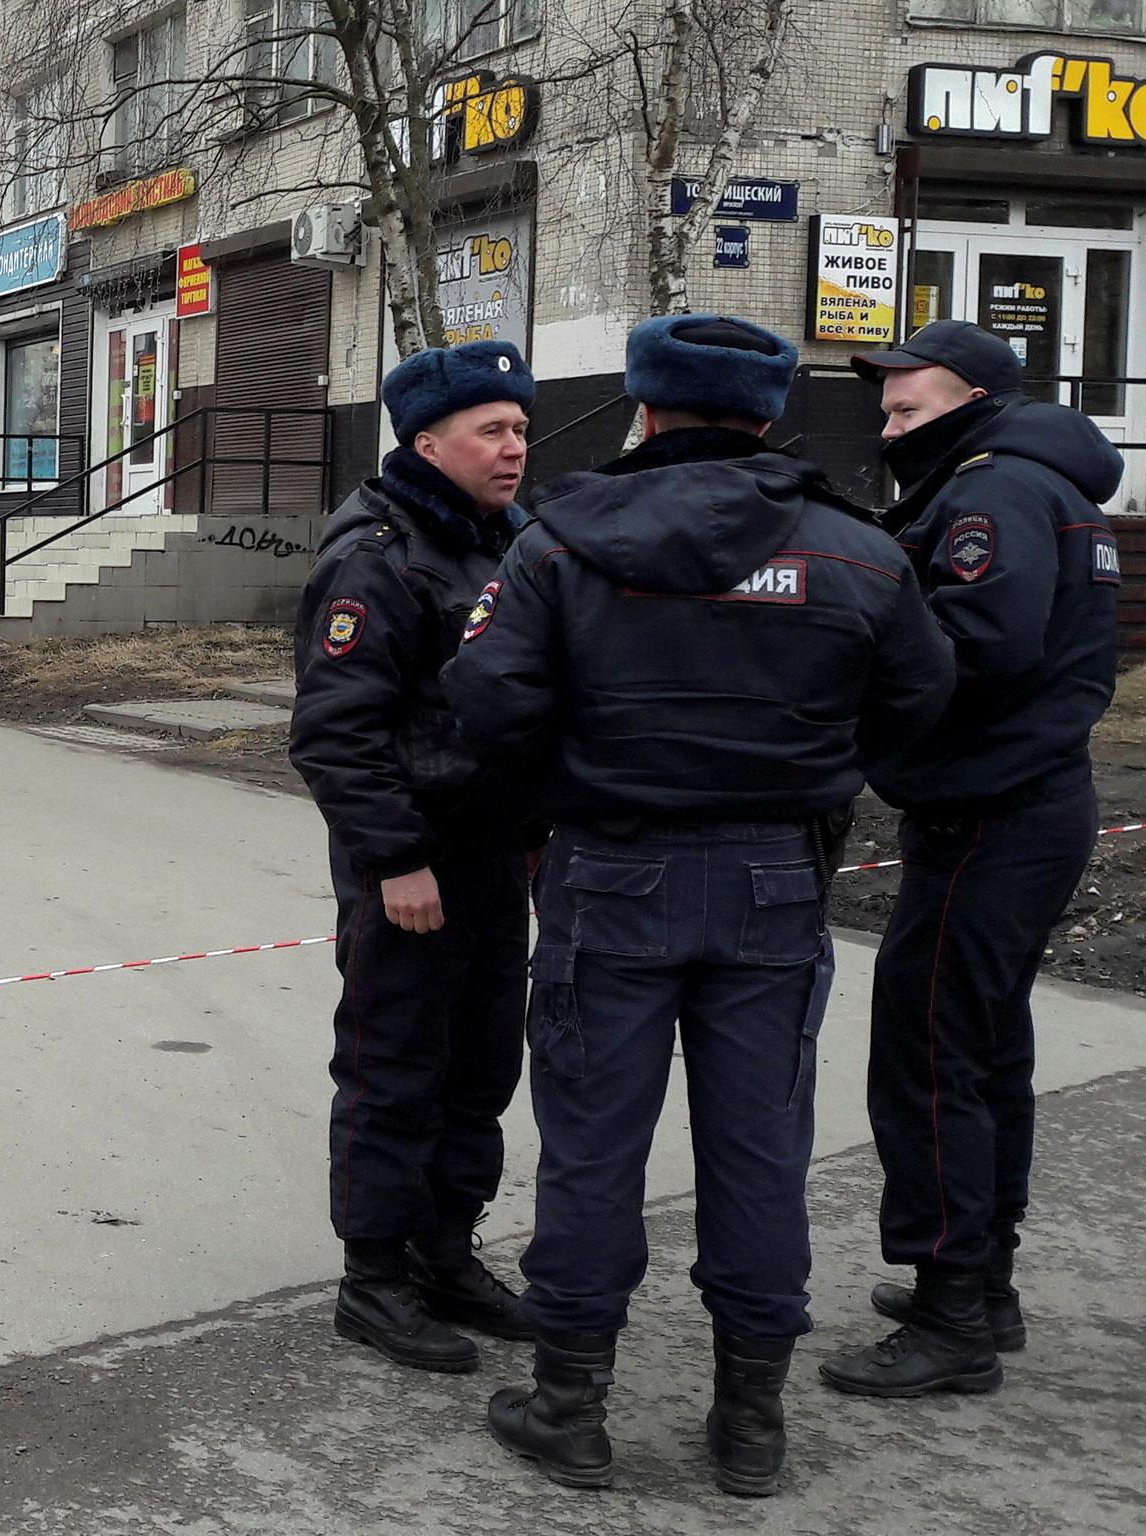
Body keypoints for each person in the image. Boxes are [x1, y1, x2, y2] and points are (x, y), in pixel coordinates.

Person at [443, 314, 955, 1495]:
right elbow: (920, 700)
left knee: (589, 1149)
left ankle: (569, 1406)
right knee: (759, 1151)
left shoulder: (558, 543)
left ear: (642, 409)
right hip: (775, 879)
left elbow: (485, 705)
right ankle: (749, 1425)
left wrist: (564, 791)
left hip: (608, 870)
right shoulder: (856, 551)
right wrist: (809, 769)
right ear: (767, 416)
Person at [820, 320, 1121, 1399]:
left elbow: (973, 646)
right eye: (886, 408)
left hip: (990, 814)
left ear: (976, 401)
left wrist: (842, 660)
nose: (889, 425)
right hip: (1026, 804)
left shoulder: (991, 493)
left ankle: (952, 1313)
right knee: (984, 1047)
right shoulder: (1039, 483)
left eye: (909, 408)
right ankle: (980, 1279)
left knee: (932, 1054)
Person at [289, 339, 539, 1376]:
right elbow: (335, 732)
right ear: (425, 441)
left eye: (520, 427)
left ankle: (444, 1252)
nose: (514, 447)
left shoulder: (503, 542)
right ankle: (374, 1281)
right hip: (410, 863)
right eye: (492, 430)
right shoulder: (376, 555)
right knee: (394, 1068)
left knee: (479, 1067)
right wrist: (394, 859)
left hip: (490, 856)